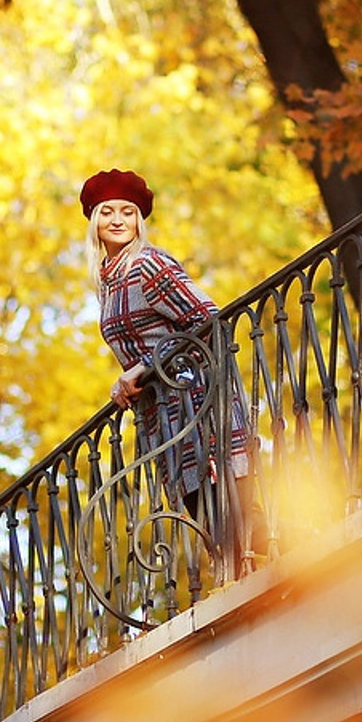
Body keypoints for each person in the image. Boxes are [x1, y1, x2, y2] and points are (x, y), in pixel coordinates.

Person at [80, 168, 257, 567]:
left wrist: (140, 370)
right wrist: (126, 383)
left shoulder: (148, 265)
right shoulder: (108, 283)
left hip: (200, 401)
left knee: (238, 521)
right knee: (215, 526)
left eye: (127, 212)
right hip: (166, 420)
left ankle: (313, 554)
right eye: (107, 212)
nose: (118, 220)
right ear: (95, 222)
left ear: (138, 220)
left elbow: (209, 322)